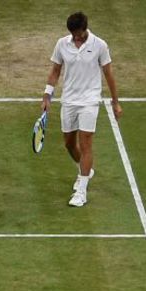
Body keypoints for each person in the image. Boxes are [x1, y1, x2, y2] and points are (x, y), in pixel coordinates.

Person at [42, 11, 122, 207]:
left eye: (79, 33)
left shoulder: (100, 45)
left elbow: (109, 74)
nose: (76, 37)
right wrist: (47, 95)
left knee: (85, 144)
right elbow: (55, 71)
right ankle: (85, 170)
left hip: (89, 101)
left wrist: (115, 101)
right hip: (69, 100)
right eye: (73, 34)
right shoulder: (62, 43)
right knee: (69, 144)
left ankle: (82, 191)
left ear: (85, 28)